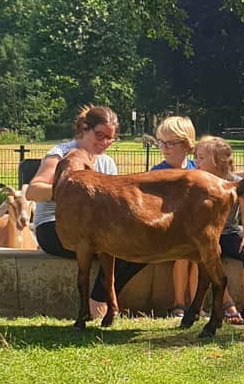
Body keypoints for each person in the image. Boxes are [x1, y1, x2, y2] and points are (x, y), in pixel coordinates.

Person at [26, 104, 144, 319]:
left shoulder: (106, 162)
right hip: (56, 226)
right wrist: (72, 194)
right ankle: (98, 302)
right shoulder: (60, 154)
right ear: (84, 128)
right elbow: (33, 191)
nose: (105, 143)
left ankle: (100, 298)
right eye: (100, 135)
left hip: (97, 230)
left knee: (143, 246)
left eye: (110, 138)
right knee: (119, 247)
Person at [194, 135, 244, 324]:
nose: (196, 161)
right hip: (208, 235)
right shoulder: (197, 181)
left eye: (201, 157)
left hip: (229, 232)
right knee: (212, 255)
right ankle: (227, 303)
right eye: (196, 156)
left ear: (218, 161)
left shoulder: (235, 183)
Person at [150, 115, 198, 318]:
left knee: (199, 256)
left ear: (186, 145)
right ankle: (178, 303)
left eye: (170, 143)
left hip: (193, 229)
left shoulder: (197, 170)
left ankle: (196, 303)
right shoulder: (157, 172)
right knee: (183, 253)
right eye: (161, 142)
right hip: (167, 231)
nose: (164, 147)